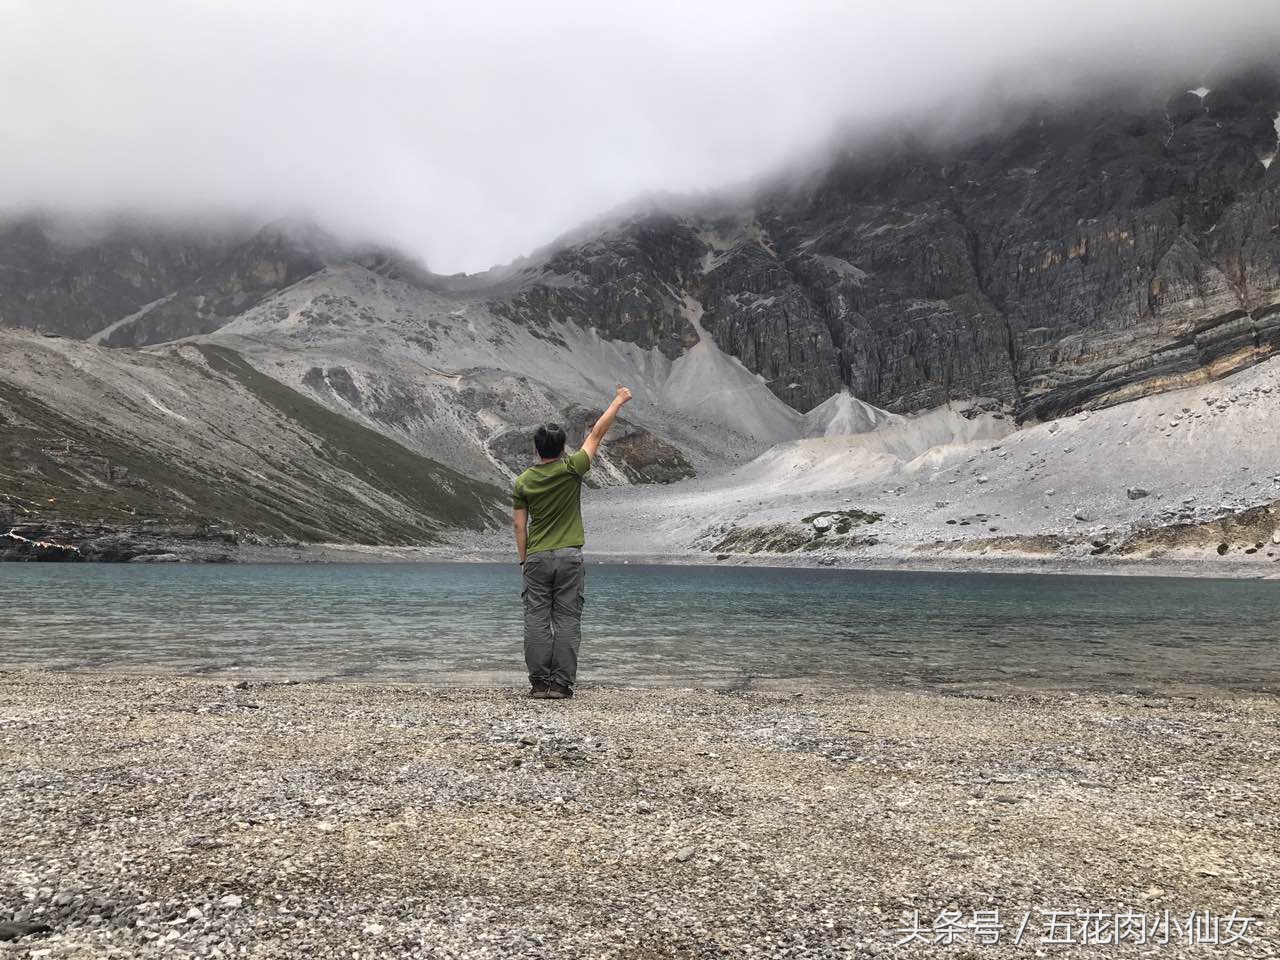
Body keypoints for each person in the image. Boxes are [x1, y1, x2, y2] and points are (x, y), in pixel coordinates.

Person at [512, 384, 632, 699]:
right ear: (563, 448)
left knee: (536, 619)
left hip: (537, 557)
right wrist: (618, 400)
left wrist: (524, 560)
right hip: (569, 557)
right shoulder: (572, 468)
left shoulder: (523, 482)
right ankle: (561, 685)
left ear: (536, 449)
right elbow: (596, 435)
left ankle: (539, 683)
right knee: (567, 618)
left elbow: (519, 525)